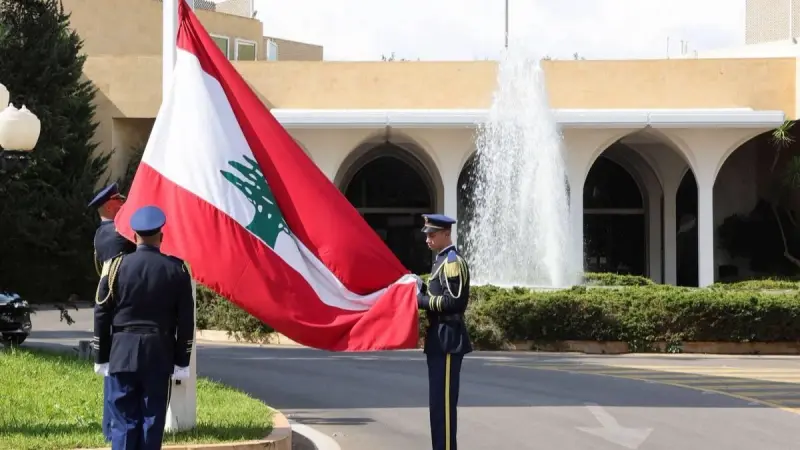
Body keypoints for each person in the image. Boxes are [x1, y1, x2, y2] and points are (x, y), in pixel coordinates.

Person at [92, 205, 194, 450]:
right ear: (161, 236)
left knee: (124, 422)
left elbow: (102, 313)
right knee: (152, 420)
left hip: (122, 354)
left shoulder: (115, 267)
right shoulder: (176, 269)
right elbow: (186, 320)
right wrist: (182, 361)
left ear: (134, 237)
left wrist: (101, 356)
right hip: (159, 354)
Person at [414, 213, 472, 450]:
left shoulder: (451, 262)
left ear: (446, 234)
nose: (428, 239)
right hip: (438, 338)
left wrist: (421, 300)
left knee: (444, 407)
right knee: (437, 406)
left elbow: (454, 302)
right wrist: (421, 287)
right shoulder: (440, 261)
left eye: (432, 234)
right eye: (427, 234)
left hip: (448, 337)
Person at [87, 182, 136, 441]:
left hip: (114, 309)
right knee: (116, 376)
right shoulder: (116, 233)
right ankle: (113, 429)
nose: (123, 204)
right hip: (119, 309)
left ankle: (111, 428)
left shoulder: (104, 232)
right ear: (109, 205)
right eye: (119, 201)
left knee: (113, 373)